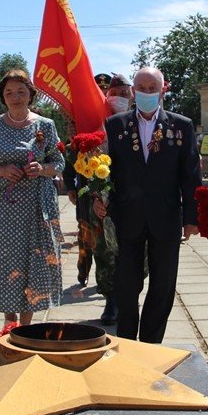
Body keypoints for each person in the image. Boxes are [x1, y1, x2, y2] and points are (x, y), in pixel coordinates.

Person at [94, 66, 202, 343]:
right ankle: (127, 343)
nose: (146, 93)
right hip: (126, 216)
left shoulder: (181, 126)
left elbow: (190, 175)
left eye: (152, 89)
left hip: (165, 217)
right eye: (141, 88)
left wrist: (192, 217)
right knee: (127, 286)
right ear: (133, 91)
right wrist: (100, 198)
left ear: (163, 90)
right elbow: (104, 170)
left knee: (163, 284)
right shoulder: (116, 126)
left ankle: (152, 344)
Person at [0, 70, 65, 327]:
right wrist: (1, 171)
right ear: (2, 96)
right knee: (4, 262)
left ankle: (26, 326)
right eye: (9, 92)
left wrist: (42, 169)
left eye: (21, 91)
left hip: (36, 207)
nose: (15, 97)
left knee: (33, 260)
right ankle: (8, 324)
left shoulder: (45, 125)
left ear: (30, 95)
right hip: (3, 208)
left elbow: (59, 161)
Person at [63, 73, 133, 325]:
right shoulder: (94, 124)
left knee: (133, 253)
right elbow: (78, 164)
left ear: (132, 96)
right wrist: (74, 142)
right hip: (98, 200)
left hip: (131, 201)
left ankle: (128, 294)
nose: (119, 99)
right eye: (113, 94)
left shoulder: (139, 122)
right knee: (102, 250)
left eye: (124, 94)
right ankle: (111, 300)